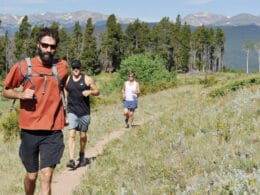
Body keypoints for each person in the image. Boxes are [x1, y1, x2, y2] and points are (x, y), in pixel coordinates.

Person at [2, 27, 68, 195]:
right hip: (29, 130)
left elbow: (64, 88)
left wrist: (67, 111)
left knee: (47, 175)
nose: (48, 49)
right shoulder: (24, 66)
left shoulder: (62, 67)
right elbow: (6, 90)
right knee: (32, 176)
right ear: (38, 44)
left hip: (52, 131)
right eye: (45, 45)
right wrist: (21, 94)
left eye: (52, 46)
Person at [65, 60, 99, 168]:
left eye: (78, 67)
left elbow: (97, 91)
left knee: (83, 135)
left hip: (84, 112)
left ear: (80, 68)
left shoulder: (87, 79)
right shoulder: (68, 80)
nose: (76, 69)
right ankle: (71, 159)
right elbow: (65, 93)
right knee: (72, 134)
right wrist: (64, 109)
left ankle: (82, 154)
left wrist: (90, 92)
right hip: (72, 111)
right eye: (74, 67)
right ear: (71, 68)